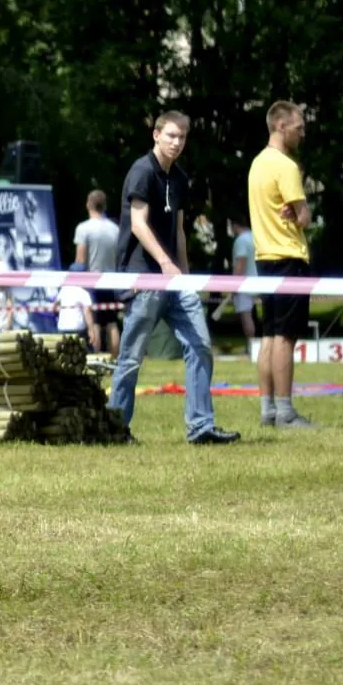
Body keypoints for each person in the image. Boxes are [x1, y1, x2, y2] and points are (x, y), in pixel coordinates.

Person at [108, 112, 230, 443]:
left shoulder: (179, 178)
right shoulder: (141, 171)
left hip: (175, 280)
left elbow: (178, 231)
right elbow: (138, 224)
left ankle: (201, 426)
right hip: (144, 278)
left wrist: (184, 276)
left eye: (182, 137)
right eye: (171, 136)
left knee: (200, 345)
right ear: (156, 135)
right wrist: (164, 262)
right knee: (131, 358)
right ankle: (115, 429)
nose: (176, 143)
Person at [249, 101, 318, 430]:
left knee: (269, 335)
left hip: (264, 257)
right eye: (298, 128)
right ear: (280, 125)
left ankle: (267, 410)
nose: (303, 134)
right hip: (289, 257)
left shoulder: (257, 164)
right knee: (285, 338)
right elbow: (304, 217)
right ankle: (286, 411)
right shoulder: (286, 166)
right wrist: (302, 211)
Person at [72, 191, 122, 352]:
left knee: (95, 323)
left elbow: (80, 260)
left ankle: (97, 358)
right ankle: (115, 360)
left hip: (91, 281)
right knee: (112, 323)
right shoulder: (115, 229)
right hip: (112, 281)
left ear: (88, 204)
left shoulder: (83, 228)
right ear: (104, 206)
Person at [226, 217, 259, 351]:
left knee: (246, 316)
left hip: (244, 283)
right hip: (260, 280)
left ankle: (251, 346)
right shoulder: (255, 237)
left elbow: (241, 263)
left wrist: (234, 285)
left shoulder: (241, 240)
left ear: (235, 225)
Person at [55, 280, 97, 351]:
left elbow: (55, 306)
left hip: (62, 328)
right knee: (86, 351)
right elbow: (87, 312)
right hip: (78, 329)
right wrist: (91, 330)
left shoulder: (63, 290)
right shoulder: (83, 293)